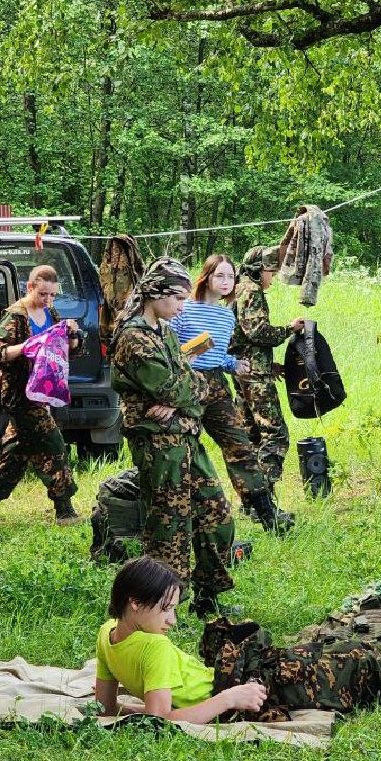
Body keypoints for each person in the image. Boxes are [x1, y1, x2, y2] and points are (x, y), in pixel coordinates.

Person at [92, 557, 381, 724]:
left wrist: (128, 707)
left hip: (245, 676)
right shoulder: (154, 648)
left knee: (359, 651)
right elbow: (163, 721)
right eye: (165, 609)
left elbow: (107, 706)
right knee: (363, 663)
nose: (172, 620)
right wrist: (230, 699)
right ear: (135, 602)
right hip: (248, 689)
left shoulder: (108, 635)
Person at [110, 258, 236, 618]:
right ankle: (165, 608)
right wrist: (183, 393)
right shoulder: (134, 338)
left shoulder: (163, 331)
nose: (183, 306)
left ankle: (209, 596)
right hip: (157, 443)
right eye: (178, 298)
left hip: (185, 435)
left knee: (217, 514)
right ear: (156, 294)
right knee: (170, 526)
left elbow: (189, 383)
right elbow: (174, 385)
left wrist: (178, 401)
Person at [170, 254, 294, 534]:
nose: (226, 282)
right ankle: (185, 519)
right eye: (220, 276)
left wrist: (233, 364)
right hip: (186, 385)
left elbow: (217, 354)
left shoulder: (227, 315)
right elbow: (172, 351)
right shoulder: (184, 309)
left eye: (230, 276)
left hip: (217, 385)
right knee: (185, 451)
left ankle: (266, 513)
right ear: (206, 278)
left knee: (240, 446)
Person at [0, 265, 87, 529]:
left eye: (52, 295)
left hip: (41, 392)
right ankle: (65, 510)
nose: (48, 300)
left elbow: (67, 350)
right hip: (19, 394)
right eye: (43, 294)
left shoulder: (50, 313)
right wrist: (24, 347)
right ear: (30, 287)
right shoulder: (16, 316)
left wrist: (73, 334)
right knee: (53, 444)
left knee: (16, 452)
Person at [230, 245, 304, 488]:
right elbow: (257, 332)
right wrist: (289, 329)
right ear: (259, 270)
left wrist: (268, 364)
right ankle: (264, 494)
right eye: (271, 272)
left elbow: (239, 337)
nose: (272, 278)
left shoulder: (238, 289)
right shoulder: (251, 291)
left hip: (243, 369)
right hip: (254, 375)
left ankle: (250, 495)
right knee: (274, 434)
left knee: (251, 434)